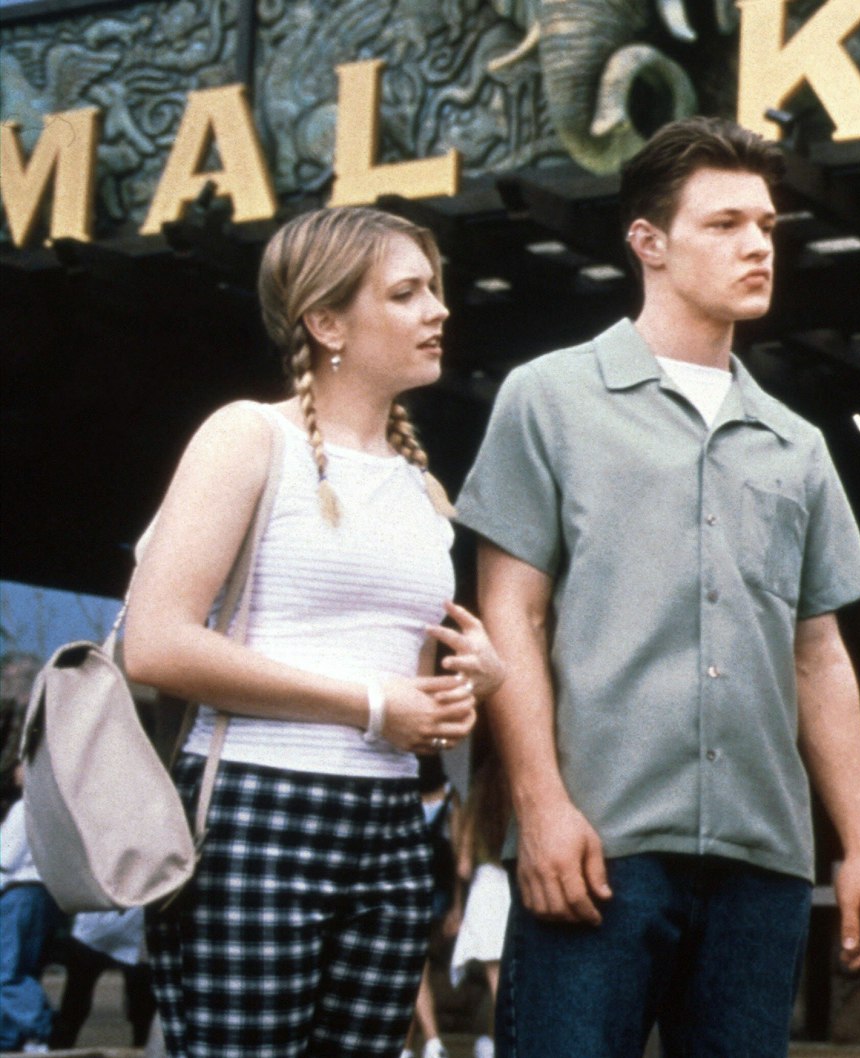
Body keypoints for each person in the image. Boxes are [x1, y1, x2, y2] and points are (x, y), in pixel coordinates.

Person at [456, 115, 860, 1058]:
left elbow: (819, 659)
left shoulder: (797, 446)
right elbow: (510, 617)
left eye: (766, 226)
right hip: (595, 848)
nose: (757, 246)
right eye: (724, 224)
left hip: (763, 863)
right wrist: (540, 808)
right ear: (647, 243)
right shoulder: (549, 398)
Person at [123, 205, 508, 1058]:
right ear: (326, 322)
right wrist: (371, 704)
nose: (438, 309)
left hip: (391, 825)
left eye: (434, 288)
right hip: (253, 809)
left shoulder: (424, 491)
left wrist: (466, 686)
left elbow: (412, 706)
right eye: (406, 293)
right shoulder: (247, 437)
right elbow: (154, 644)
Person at [448, 752, 512, 1058]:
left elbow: (463, 865)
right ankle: (497, 1041)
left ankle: (501, 1045)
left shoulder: (481, 788)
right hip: (517, 882)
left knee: (496, 979)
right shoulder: (523, 786)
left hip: (487, 886)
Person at [402, 755, 462, 1058]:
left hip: (407, 883)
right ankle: (426, 1041)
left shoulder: (403, 791)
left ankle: (420, 1041)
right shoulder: (450, 796)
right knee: (418, 962)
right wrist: (458, 905)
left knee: (413, 963)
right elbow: (460, 856)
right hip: (439, 886)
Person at [0, 779, 60, 1053]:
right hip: (41, 893)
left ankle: (38, 1028)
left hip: (18, 892)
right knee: (24, 967)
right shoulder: (51, 809)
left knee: (7, 972)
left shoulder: (24, 807)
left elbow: (5, 859)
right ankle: (11, 1035)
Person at [49, 908, 157, 1051]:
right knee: (74, 1002)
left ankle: (142, 1048)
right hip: (93, 932)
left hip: (132, 934)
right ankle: (59, 1048)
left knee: (142, 1006)